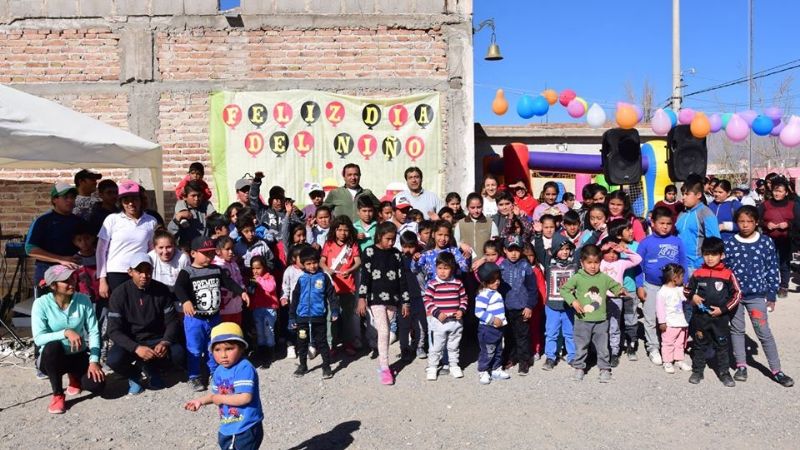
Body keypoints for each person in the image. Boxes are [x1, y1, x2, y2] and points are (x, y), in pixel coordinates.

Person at [725, 206, 794, 387]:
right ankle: (741, 366)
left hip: (757, 296)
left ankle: (776, 370)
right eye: (741, 221)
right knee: (737, 330)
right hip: (736, 297)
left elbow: (772, 269)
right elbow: (725, 271)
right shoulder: (730, 243)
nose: (745, 225)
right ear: (736, 223)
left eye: (749, 221)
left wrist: (771, 294)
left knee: (763, 332)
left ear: (756, 222)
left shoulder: (766, 242)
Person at [176, 237, 250, 392]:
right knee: (194, 349)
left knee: (214, 346)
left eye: (211, 253)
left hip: (214, 317)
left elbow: (229, 283)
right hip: (195, 319)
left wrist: (241, 292)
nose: (209, 257)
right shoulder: (187, 272)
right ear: (193, 253)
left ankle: (215, 372)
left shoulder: (216, 270)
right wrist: (186, 301)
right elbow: (179, 288)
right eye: (205, 254)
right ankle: (194, 376)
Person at [32, 265, 105, 414]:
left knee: (98, 386)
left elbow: (93, 331)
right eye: (66, 280)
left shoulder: (83, 300)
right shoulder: (41, 304)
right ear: (53, 285)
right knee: (52, 347)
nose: (72, 282)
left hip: (77, 354)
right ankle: (58, 394)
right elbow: (39, 338)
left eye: (72, 278)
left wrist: (94, 361)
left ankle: (75, 377)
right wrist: (65, 332)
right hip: (53, 358)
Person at [107, 253, 182, 394]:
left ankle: (152, 369)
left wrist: (165, 341)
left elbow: (172, 321)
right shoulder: (119, 294)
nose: (144, 275)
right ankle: (134, 374)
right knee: (113, 360)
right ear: (130, 272)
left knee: (178, 354)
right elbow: (113, 330)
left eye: (148, 271)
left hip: (156, 338)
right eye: (139, 271)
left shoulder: (162, 289)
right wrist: (136, 348)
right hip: (132, 340)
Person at [184, 322, 264, 450]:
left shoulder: (244, 367)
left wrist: (220, 399)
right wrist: (200, 401)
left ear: (242, 348)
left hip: (245, 426)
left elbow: (245, 397)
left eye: (229, 349)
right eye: (217, 350)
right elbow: (215, 395)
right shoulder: (218, 371)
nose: (223, 355)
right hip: (228, 425)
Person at [560, 244, 627, 383]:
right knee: (581, 345)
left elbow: (615, 286)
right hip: (582, 320)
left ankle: (604, 368)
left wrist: (620, 290)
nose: (593, 266)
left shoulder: (603, 277)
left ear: (600, 262)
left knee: (603, 347)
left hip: (601, 320)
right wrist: (573, 301)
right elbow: (564, 290)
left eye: (596, 262)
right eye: (589, 263)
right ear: (582, 263)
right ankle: (579, 367)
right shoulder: (577, 277)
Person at [357, 222, 411, 385]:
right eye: (388, 239)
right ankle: (385, 367)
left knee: (385, 330)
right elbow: (365, 276)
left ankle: (381, 357)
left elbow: (402, 279)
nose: (391, 242)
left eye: (393, 239)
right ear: (379, 236)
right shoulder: (370, 251)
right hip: (375, 298)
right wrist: (361, 297)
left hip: (393, 299)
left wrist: (405, 301)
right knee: (384, 330)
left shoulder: (396, 254)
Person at [683, 237, 740, 387]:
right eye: (706, 254)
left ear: (722, 255)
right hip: (701, 317)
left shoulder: (728, 274)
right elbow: (687, 289)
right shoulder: (698, 273)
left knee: (722, 346)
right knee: (699, 344)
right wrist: (692, 296)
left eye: (714, 254)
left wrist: (723, 309)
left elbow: (737, 294)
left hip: (720, 319)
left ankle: (724, 373)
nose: (709, 258)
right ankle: (697, 371)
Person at [636, 206, 686, 364]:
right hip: (651, 286)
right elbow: (638, 266)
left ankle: (673, 346)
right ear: (653, 222)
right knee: (651, 318)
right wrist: (640, 286)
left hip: (672, 288)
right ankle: (653, 347)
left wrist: (683, 284)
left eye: (669, 223)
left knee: (671, 318)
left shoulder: (677, 241)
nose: (665, 226)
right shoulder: (645, 243)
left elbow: (683, 263)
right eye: (661, 223)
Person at [97, 180, 158, 298]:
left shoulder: (151, 221)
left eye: (134, 199)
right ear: (121, 202)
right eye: (126, 200)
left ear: (141, 200)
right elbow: (100, 251)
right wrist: (102, 279)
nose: (131, 203)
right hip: (116, 272)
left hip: (140, 273)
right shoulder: (112, 219)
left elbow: (152, 250)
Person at [26, 182, 85, 295]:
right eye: (65, 197)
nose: (70, 200)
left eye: (72, 197)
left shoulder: (79, 222)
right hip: (47, 272)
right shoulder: (43, 221)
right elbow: (30, 249)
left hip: (72, 274)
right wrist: (60, 259)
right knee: (47, 308)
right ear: (54, 200)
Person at [289, 246, 339, 379]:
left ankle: (326, 366)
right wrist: (292, 317)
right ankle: (303, 365)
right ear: (303, 265)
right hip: (302, 317)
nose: (312, 266)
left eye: (314, 262)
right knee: (302, 342)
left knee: (322, 342)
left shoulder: (323, 277)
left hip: (318, 316)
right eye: (308, 264)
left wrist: (334, 310)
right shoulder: (301, 279)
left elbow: (332, 296)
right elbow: (295, 299)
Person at [321, 215, 362, 354]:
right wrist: (327, 269)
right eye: (339, 230)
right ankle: (330, 344)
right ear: (334, 230)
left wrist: (350, 270)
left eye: (345, 230)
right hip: (331, 286)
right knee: (330, 317)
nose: (342, 233)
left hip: (348, 286)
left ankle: (348, 343)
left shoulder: (353, 245)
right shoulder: (329, 244)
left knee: (347, 317)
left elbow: (358, 262)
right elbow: (322, 261)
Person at [423, 252, 468, 381]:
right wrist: (437, 313)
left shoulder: (457, 283)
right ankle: (432, 366)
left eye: (446, 268)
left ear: (452, 269)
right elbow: (427, 300)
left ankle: (454, 365)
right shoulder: (433, 284)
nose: (442, 272)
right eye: (440, 268)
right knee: (436, 346)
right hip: (439, 322)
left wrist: (461, 310)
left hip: (455, 322)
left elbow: (464, 298)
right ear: (435, 268)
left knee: (453, 346)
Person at [598, 236, 641, 367]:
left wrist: (625, 250)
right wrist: (601, 249)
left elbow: (638, 259)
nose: (612, 255)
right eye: (608, 252)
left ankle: (614, 352)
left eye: (614, 253)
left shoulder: (621, 262)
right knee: (600, 326)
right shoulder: (599, 262)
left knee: (614, 326)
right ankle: (599, 351)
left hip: (616, 299)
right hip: (600, 299)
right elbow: (586, 256)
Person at [499, 234, 537, 375]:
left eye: (517, 250)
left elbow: (533, 289)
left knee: (522, 336)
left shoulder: (526, 266)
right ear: (504, 250)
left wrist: (529, 306)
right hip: (506, 308)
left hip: (522, 308)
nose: (513, 253)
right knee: (508, 336)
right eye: (510, 250)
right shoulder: (501, 266)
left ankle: (524, 362)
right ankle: (509, 358)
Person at [538, 236, 578, 370]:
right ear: (555, 250)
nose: (565, 252)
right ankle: (550, 357)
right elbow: (539, 250)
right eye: (561, 249)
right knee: (551, 333)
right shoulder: (549, 263)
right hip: (552, 307)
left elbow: (586, 246)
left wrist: (597, 233)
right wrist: (538, 235)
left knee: (570, 333)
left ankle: (572, 356)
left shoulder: (574, 263)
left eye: (567, 249)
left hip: (569, 307)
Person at [758, 177, 798, 298]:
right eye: (776, 190)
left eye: (780, 191)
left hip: (786, 239)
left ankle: (783, 286)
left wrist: (788, 224)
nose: (777, 193)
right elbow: (756, 219)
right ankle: (769, 285)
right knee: (768, 262)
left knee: (784, 263)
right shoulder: (765, 205)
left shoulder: (793, 205)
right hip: (768, 239)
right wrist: (766, 224)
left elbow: (798, 222)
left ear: (786, 192)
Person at [676, 177, 721, 276]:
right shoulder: (682, 214)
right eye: (683, 194)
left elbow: (714, 243)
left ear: (699, 195)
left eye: (687, 194)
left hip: (696, 267)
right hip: (679, 265)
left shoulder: (706, 213)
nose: (683, 197)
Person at [474, 262, 510, 384]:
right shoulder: (483, 294)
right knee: (488, 351)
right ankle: (483, 370)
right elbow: (478, 312)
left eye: (498, 279)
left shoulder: (495, 293)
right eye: (493, 280)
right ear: (485, 281)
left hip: (499, 329)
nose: (497, 282)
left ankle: (496, 369)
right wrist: (493, 319)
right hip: (488, 329)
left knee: (499, 349)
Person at [655, 263, 690, 374]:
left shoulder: (679, 290)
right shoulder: (662, 292)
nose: (683, 279)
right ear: (675, 278)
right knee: (668, 343)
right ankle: (667, 361)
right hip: (669, 323)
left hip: (681, 322)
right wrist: (662, 322)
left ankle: (679, 359)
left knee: (680, 343)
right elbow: (660, 309)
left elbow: (686, 298)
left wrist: (687, 289)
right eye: (682, 276)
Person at [398, 231, 428, 360]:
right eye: (405, 246)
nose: (408, 250)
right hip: (404, 298)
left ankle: (419, 346)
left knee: (420, 324)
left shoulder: (421, 257)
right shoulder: (399, 258)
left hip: (420, 296)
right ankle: (404, 348)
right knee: (404, 325)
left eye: (411, 246)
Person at [247, 255, 279, 367]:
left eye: (258, 268)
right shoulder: (252, 279)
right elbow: (251, 294)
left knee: (268, 331)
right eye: (253, 268)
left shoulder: (269, 278)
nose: (255, 271)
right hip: (257, 309)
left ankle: (271, 353)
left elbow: (270, 288)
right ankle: (262, 353)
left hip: (269, 309)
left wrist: (259, 280)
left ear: (264, 267)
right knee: (259, 332)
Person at [169, 180, 217, 247]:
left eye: (199, 195)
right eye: (193, 196)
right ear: (185, 197)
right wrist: (178, 218)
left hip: (205, 248)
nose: (196, 199)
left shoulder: (206, 208)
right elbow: (171, 233)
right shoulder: (181, 210)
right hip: (188, 249)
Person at [454, 193, 499, 262]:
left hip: (485, 263)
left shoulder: (490, 223)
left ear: (482, 206)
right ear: (467, 207)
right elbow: (454, 242)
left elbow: (495, 245)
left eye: (479, 207)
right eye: (472, 208)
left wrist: (483, 259)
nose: (476, 211)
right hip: (465, 263)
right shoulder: (460, 224)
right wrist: (461, 244)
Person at [213, 236, 245, 325]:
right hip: (223, 311)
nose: (231, 252)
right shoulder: (215, 267)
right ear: (218, 251)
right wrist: (232, 293)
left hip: (237, 307)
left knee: (236, 333)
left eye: (232, 249)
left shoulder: (234, 263)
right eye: (227, 249)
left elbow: (240, 280)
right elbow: (217, 288)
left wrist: (242, 289)